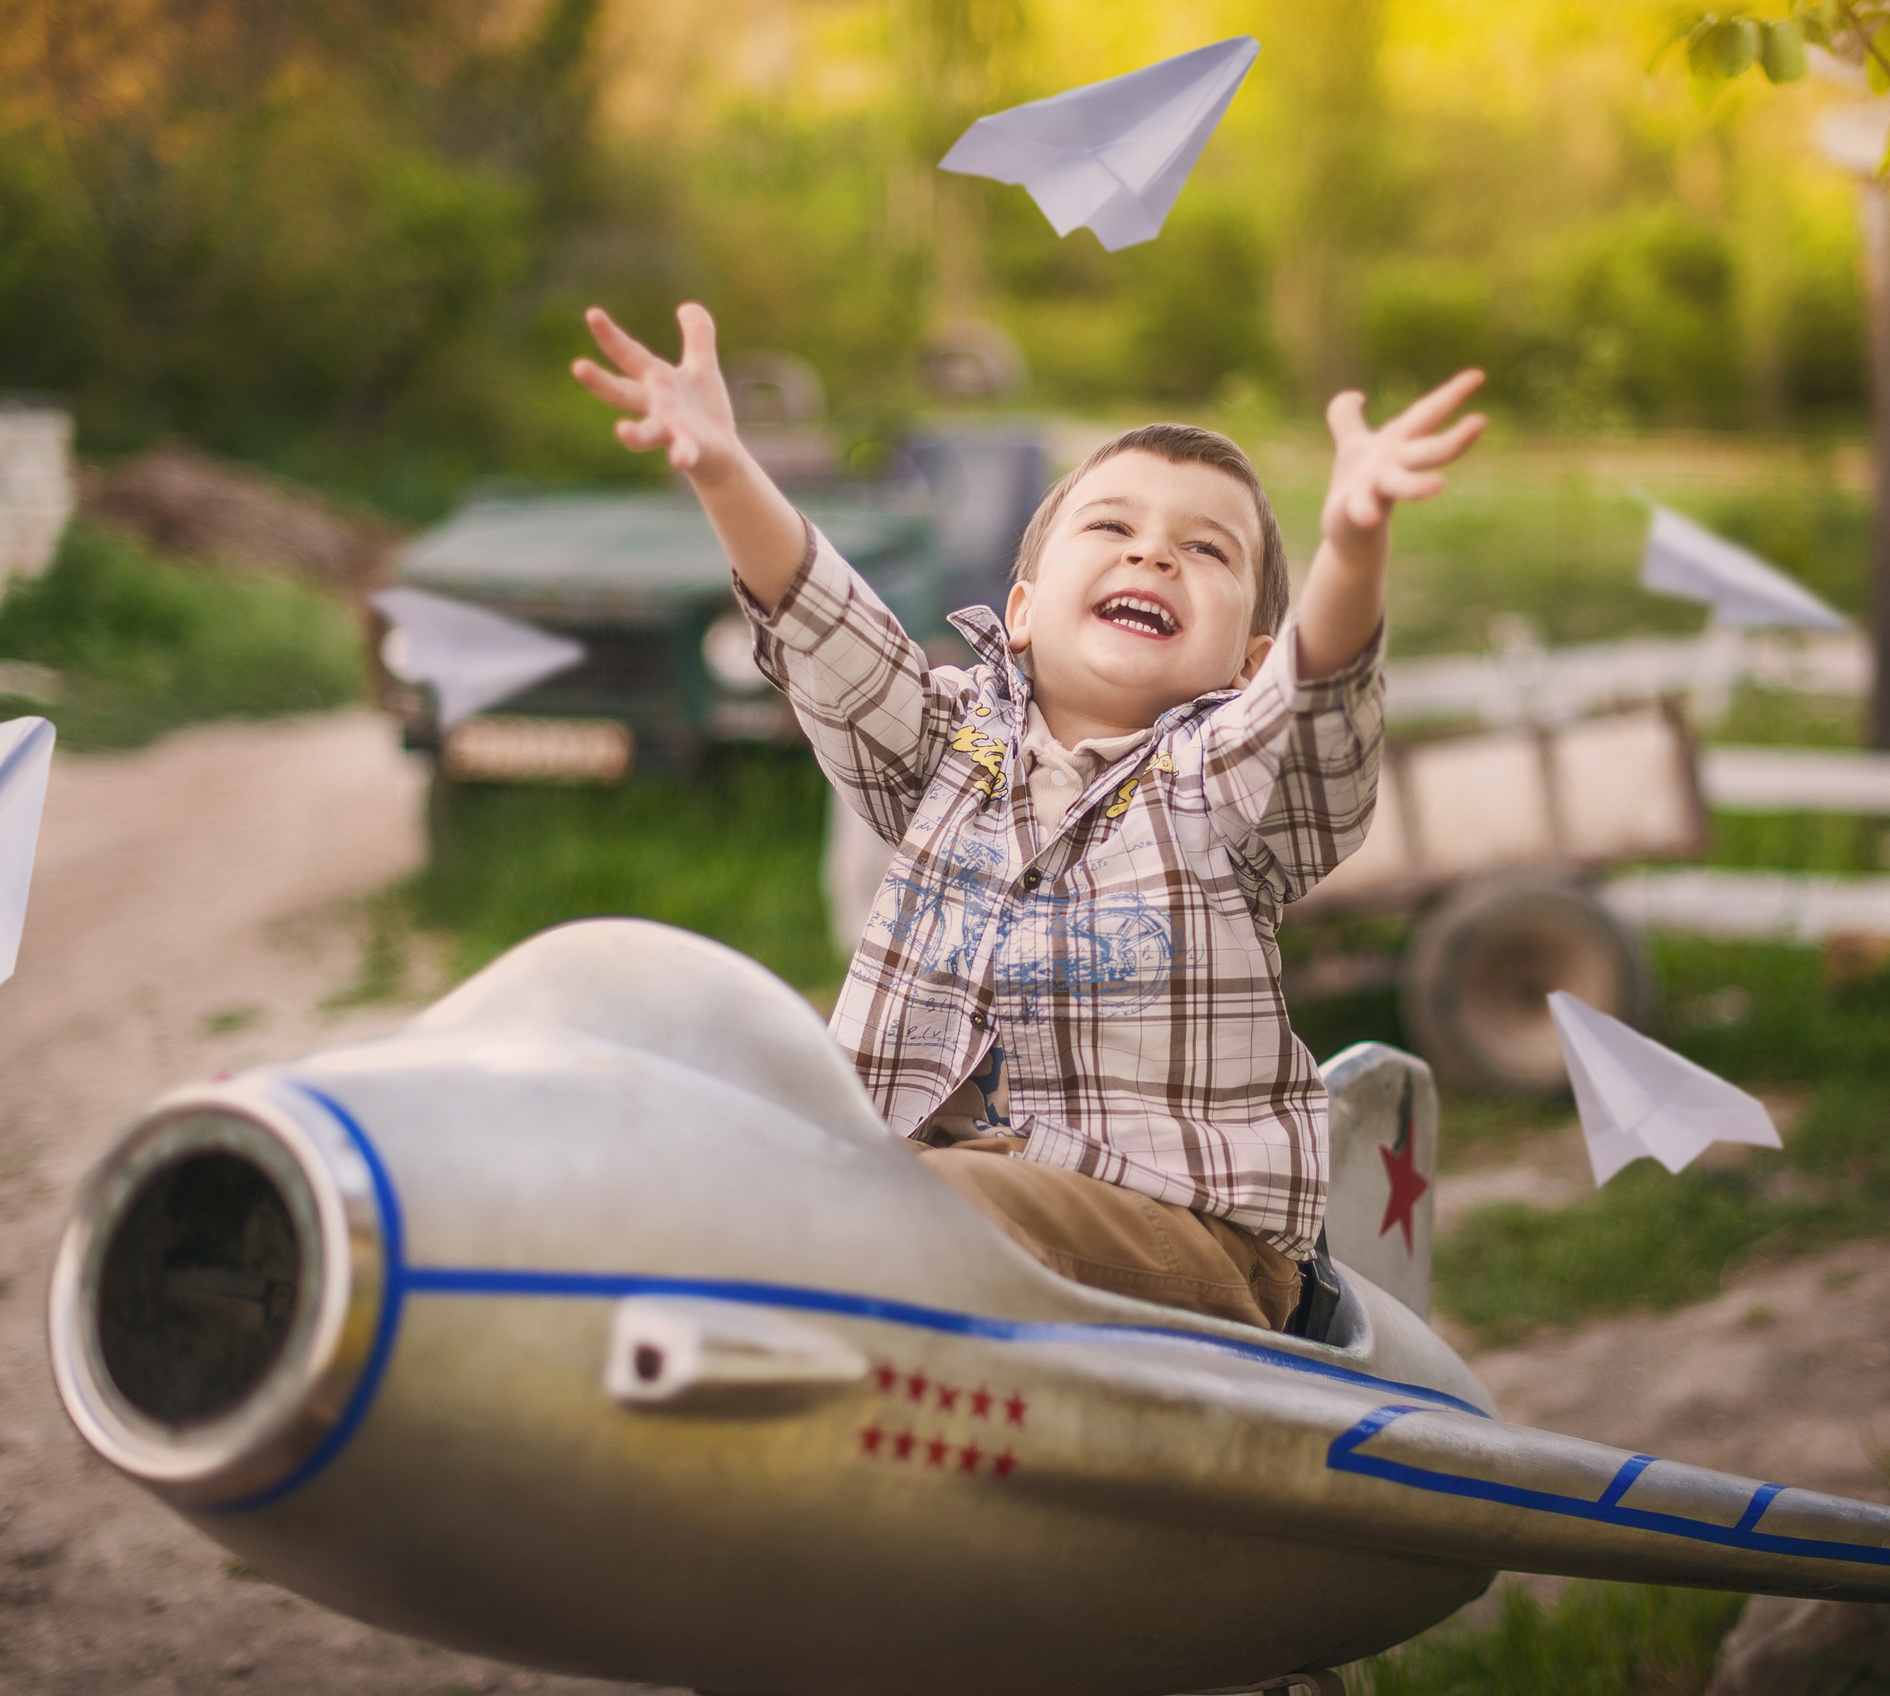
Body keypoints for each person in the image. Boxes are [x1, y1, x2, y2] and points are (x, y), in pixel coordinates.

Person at [571, 302, 1484, 1332]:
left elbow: (1314, 716)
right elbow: (831, 632)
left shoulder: (1217, 779)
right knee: (723, 1158)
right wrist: (725, 470)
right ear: (1019, 610)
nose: (1153, 555)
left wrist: (1352, 548)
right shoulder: (949, 749)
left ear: (1248, 664)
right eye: (1112, 527)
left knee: (917, 1199)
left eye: (1206, 549)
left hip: (1183, 1229)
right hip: (921, 1187)